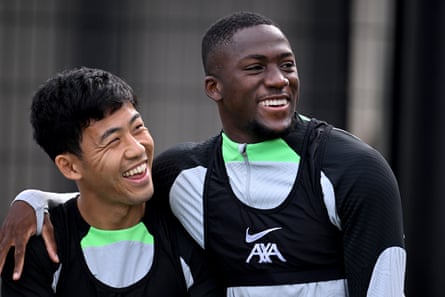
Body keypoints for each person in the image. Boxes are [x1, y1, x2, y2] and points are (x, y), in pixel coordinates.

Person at [0, 12, 406, 297]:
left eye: (287, 65)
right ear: (214, 87)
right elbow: (108, 198)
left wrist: (35, 201)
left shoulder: (355, 170)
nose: (278, 80)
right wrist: (35, 201)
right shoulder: (183, 174)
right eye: (255, 68)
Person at [0, 67, 223, 296]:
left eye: (138, 128)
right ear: (70, 166)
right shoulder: (40, 249)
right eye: (113, 141)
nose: (137, 149)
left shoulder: (188, 229)